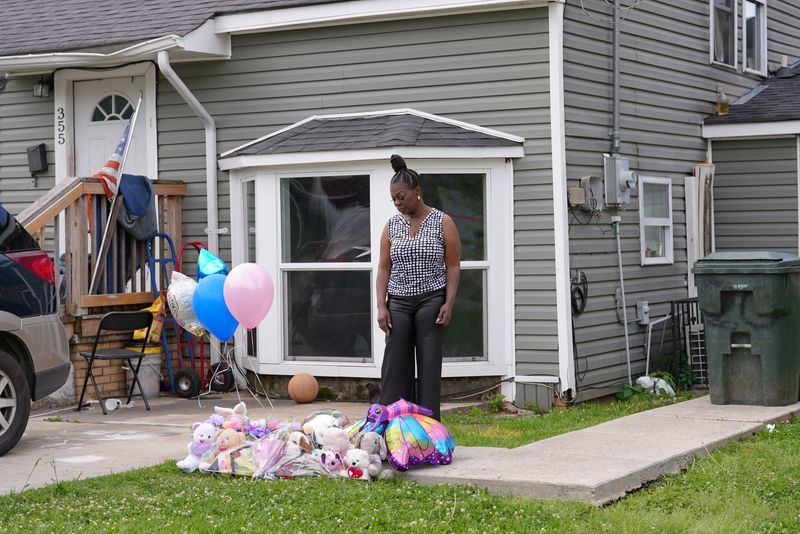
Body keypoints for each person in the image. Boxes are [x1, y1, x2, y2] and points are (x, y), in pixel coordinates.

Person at [376, 154, 461, 421]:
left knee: (428, 367)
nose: (398, 203)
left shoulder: (442, 222)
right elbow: (383, 268)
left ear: (418, 192)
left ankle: (429, 431)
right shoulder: (391, 226)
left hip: (431, 300)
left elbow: (453, 265)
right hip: (398, 302)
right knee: (395, 366)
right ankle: (393, 426)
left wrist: (449, 303)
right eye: (394, 199)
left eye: (401, 196)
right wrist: (381, 305)